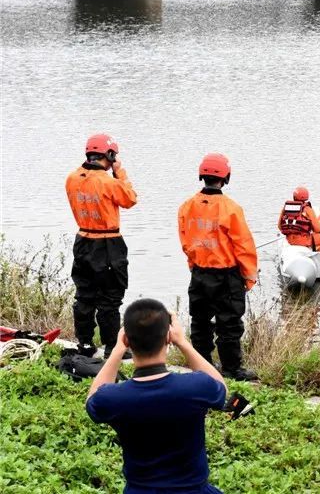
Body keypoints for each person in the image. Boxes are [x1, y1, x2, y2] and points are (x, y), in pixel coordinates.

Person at [86, 298, 227, 494]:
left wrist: (118, 350)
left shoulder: (114, 398)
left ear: (127, 339)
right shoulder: (196, 387)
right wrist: (183, 343)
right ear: (168, 338)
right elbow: (221, 388)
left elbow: (92, 399)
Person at [177, 153, 258, 381]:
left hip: (200, 273)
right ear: (226, 177)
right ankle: (231, 369)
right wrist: (249, 276)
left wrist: (193, 264)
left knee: (200, 322)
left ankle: (201, 364)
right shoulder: (231, 209)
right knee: (229, 324)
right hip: (227, 276)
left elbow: (185, 241)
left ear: (202, 175)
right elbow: (244, 245)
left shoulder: (187, 207)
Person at [65, 133, 137, 359]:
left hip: (83, 240)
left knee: (84, 295)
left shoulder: (72, 178)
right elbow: (130, 199)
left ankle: (85, 343)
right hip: (107, 242)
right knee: (110, 297)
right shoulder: (108, 181)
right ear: (110, 154)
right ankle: (112, 347)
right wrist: (119, 172)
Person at [278, 186, 320, 254]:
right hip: (303, 240)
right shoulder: (307, 209)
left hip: (289, 239)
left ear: (294, 197)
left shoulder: (286, 208)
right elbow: (317, 229)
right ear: (307, 197)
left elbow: (280, 227)